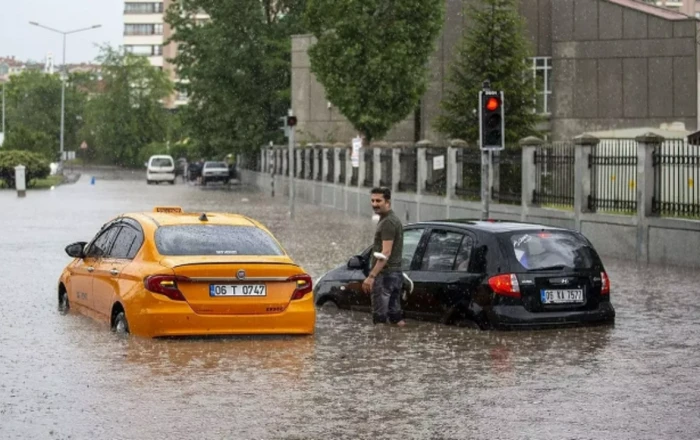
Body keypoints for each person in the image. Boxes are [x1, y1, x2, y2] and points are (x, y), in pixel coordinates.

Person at [362, 187, 406, 326]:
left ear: (387, 202)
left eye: (378, 201)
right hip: (395, 274)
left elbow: (385, 252)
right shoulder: (392, 220)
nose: (374, 204)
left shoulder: (387, 223)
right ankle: (399, 345)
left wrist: (371, 276)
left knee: (379, 320)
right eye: (372, 200)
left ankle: (380, 346)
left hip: (385, 275)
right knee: (395, 317)